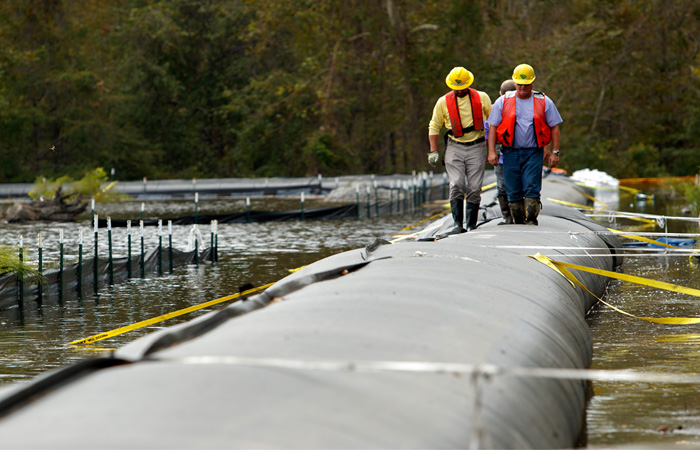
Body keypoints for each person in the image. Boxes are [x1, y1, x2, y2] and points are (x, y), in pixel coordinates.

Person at [486, 63, 562, 225]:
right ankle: (516, 219)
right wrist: (491, 152)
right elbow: (493, 128)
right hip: (510, 152)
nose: (522, 88)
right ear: (514, 83)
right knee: (512, 189)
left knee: (531, 187)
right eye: (519, 84)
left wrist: (555, 151)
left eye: (526, 84)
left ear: (532, 83)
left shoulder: (544, 101)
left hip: (533, 152)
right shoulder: (502, 101)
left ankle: (532, 218)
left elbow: (554, 127)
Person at [428, 67, 493, 234]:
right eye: (456, 88)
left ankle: (471, 224)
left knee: (474, 187)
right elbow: (434, 125)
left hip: (477, 146)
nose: (459, 91)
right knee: (457, 184)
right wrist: (433, 151)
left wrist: (493, 147)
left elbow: (494, 123)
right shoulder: (443, 102)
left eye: (462, 87)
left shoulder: (482, 98)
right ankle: (458, 224)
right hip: (454, 146)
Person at [485, 79, 517, 224]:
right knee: (506, 187)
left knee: (504, 187)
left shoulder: (491, 110)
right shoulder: (494, 110)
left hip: (509, 155)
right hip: (503, 156)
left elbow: (486, 134)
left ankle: (510, 217)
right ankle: (512, 217)